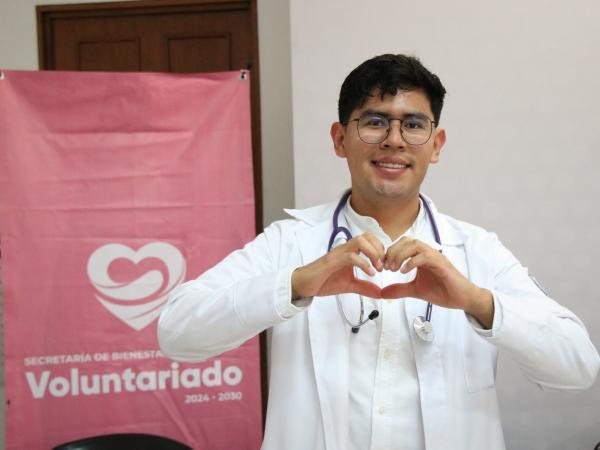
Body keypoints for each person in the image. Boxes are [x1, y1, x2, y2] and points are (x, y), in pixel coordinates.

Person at [158, 54, 600, 450]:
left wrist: (475, 301)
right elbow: (176, 332)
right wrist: (296, 284)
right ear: (339, 139)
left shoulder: (478, 251)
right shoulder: (290, 243)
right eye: (374, 121)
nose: (394, 140)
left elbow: (578, 368)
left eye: (414, 124)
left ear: (436, 144)